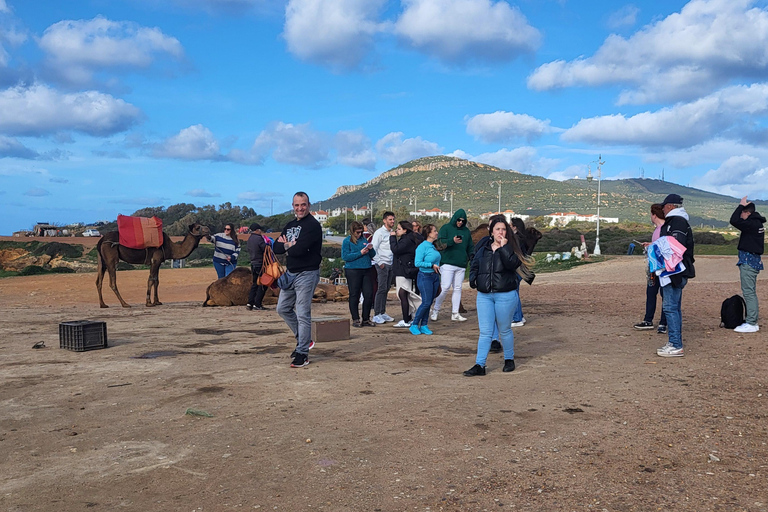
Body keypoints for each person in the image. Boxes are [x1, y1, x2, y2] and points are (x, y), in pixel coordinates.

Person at [464, 215, 533, 376]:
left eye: (503, 229)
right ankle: (480, 364)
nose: (500, 232)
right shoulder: (484, 248)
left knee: (505, 330)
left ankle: (509, 359)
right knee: (485, 332)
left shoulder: (512, 247)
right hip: (485, 296)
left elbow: (513, 264)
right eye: (497, 229)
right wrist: (474, 279)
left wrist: (504, 248)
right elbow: (475, 263)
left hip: (505, 295)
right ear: (491, 231)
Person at [273, 192, 323, 368]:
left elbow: (299, 250)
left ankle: (303, 353)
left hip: (307, 273)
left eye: (303, 204)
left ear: (309, 205)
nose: (300, 208)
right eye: (297, 205)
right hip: (291, 273)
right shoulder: (290, 225)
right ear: (292, 206)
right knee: (282, 309)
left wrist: (288, 245)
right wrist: (288, 245)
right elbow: (276, 247)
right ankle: (304, 339)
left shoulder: (313, 226)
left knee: (302, 313)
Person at [656, 193, 695, 358]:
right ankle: (674, 341)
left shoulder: (677, 222)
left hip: (674, 270)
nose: (662, 210)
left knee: (670, 307)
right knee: (674, 308)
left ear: (670, 206)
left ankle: (676, 344)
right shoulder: (677, 221)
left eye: (664, 207)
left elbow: (675, 246)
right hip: (676, 269)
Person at [729, 196, 765, 333]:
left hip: (749, 262)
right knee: (750, 291)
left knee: (749, 292)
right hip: (752, 261)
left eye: (742, 213)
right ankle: (752, 319)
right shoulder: (756, 223)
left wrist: (740, 205)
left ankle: (751, 322)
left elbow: (733, 221)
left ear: (747, 213)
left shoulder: (752, 224)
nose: (741, 215)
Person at [431, 209, 473, 322]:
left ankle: (455, 313)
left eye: (462, 221)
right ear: (455, 218)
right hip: (447, 263)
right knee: (445, 288)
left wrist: (471, 257)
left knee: (458, 288)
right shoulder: (445, 228)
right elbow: (439, 244)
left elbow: (470, 247)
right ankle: (435, 310)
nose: (460, 222)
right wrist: (452, 241)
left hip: (461, 264)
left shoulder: (466, 232)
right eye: (458, 220)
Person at [634, 204, 668, 333]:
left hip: (659, 267)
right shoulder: (662, 228)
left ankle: (653, 321)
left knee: (655, 293)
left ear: (654, 215)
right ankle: (661, 322)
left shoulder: (662, 229)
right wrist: (651, 245)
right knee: (659, 293)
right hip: (659, 266)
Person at [341, 221, 376, 327]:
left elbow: (373, 254)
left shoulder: (364, 240)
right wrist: (360, 253)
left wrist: (370, 249)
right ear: (352, 232)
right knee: (354, 294)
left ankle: (366, 318)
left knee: (369, 294)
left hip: (367, 269)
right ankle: (355, 318)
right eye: (357, 232)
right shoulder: (347, 241)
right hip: (353, 270)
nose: (359, 234)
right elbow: (345, 256)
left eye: (361, 232)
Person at [410, 224, 441, 335]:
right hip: (425, 277)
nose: (436, 232)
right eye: (434, 231)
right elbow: (417, 263)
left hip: (434, 276)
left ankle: (424, 324)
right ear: (429, 234)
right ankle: (414, 323)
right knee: (426, 302)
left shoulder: (432, 246)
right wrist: (430, 265)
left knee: (429, 302)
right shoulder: (422, 247)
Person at [390, 220, 422, 327]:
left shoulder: (406, 240)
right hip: (406, 269)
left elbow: (395, 249)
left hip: (403, 270)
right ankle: (410, 317)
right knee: (405, 294)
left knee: (403, 293)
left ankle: (406, 319)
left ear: (405, 230)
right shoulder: (411, 238)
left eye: (399, 229)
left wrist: (392, 238)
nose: (396, 231)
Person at [371, 211, 396, 324]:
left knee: (386, 289)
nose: (392, 221)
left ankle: (382, 312)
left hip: (390, 264)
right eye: (390, 219)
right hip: (382, 264)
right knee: (381, 289)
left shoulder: (392, 233)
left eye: (393, 219)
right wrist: (379, 262)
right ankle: (376, 314)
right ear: (384, 220)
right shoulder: (379, 233)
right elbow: (373, 248)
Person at [246, 223, 270, 311]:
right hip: (261, 264)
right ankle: (258, 303)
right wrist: (269, 244)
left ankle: (250, 302)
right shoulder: (259, 239)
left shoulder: (250, 239)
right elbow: (265, 249)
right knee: (263, 283)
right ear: (257, 230)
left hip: (253, 263)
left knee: (255, 283)